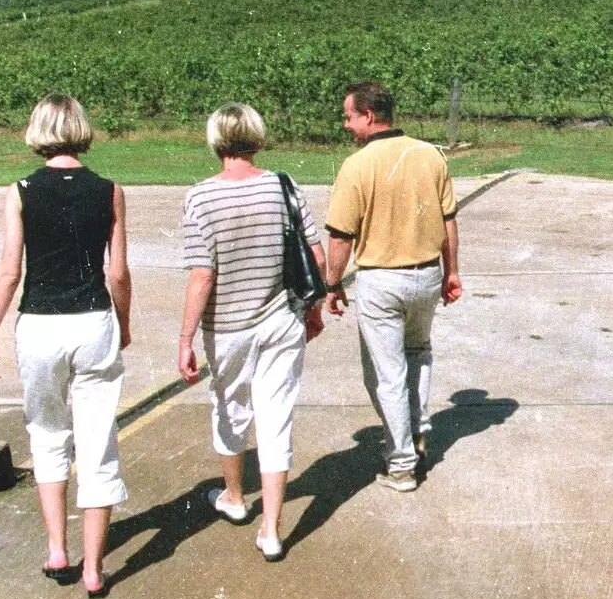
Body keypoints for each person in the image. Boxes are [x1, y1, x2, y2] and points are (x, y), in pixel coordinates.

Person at [0, 94, 131, 599]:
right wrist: (123, 324)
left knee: (47, 434)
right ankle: (94, 569)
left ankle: (57, 549)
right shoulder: (110, 191)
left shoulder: (20, 190)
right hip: (93, 322)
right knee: (97, 441)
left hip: (39, 325)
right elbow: (118, 272)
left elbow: (9, 270)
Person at [176, 103, 326, 562]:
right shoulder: (284, 186)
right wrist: (313, 310)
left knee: (230, 409)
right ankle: (272, 530)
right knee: (276, 417)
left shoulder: (200, 197)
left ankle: (235, 497)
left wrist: (184, 339)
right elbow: (315, 258)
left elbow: (202, 276)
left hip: (227, 329)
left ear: (216, 142)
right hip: (283, 322)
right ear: (257, 138)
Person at [323, 81, 461, 492]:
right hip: (427, 276)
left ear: (368, 115)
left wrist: (331, 283)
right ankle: (414, 431)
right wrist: (452, 272)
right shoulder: (430, 155)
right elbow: (449, 221)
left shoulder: (357, 165)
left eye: (349, 116)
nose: (346, 125)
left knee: (386, 375)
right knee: (418, 354)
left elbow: (340, 236)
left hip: (382, 281)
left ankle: (401, 464)